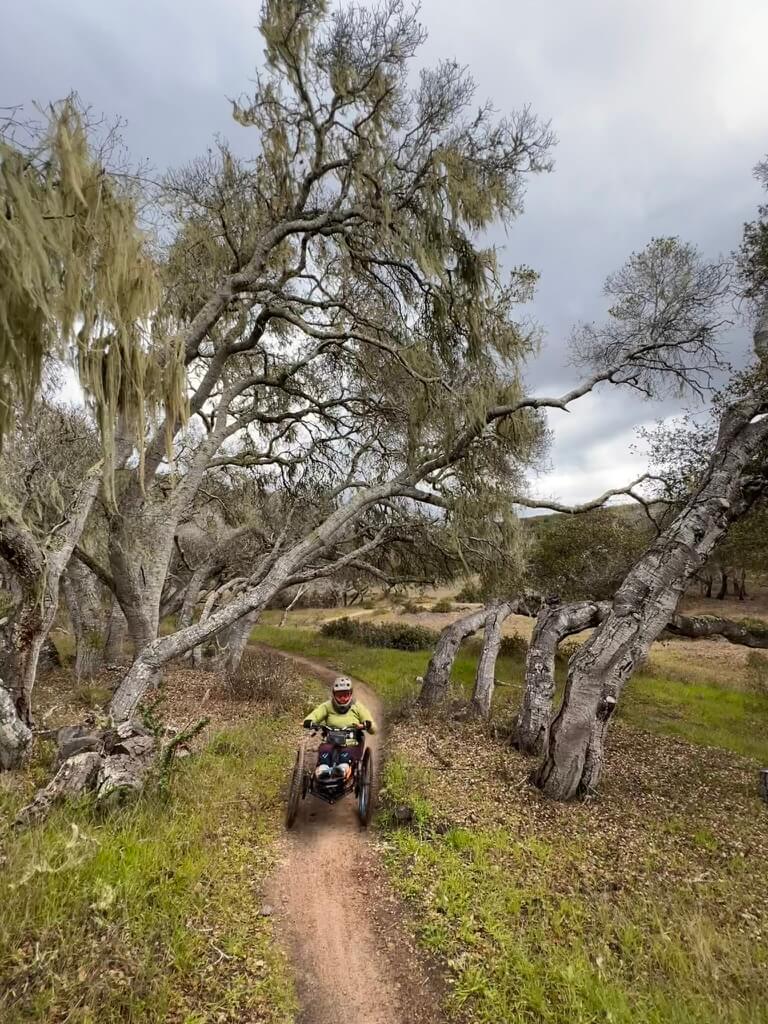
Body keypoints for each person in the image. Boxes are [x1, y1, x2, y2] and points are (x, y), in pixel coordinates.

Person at [303, 676, 377, 781]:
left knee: (346, 754)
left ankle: (342, 770)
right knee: (325, 751)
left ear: (350, 694)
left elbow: (373, 727)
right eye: (339, 695)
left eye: (346, 695)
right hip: (330, 740)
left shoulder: (358, 707)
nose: (343, 698)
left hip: (351, 742)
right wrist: (309, 721)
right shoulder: (327, 706)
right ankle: (323, 771)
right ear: (334, 694)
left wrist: (367, 725)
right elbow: (314, 715)